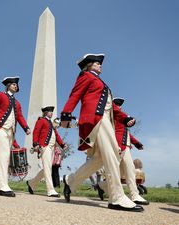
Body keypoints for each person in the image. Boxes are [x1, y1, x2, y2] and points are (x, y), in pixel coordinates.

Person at [60, 53, 143, 212]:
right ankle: (116, 197)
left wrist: (125, 119)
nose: (100, 65)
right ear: (89, 65)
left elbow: (111, 107)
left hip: (105, 119)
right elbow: (75, 95)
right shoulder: (85, 76)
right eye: (97, 63)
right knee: (112, 153)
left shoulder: (98, 81)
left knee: (99, 159)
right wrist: (66, 114)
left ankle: (71, 181)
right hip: (95, 119)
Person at [0, 76, 31, 197]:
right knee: (4, 156)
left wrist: (26, 128)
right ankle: (3, 186)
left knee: (3, 158)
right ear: (8, 85)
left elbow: (20, 117)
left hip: (11, 132)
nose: (15, 86)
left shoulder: (17, 103)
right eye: (13, 84)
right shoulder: (0, 95)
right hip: (0, 129)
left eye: (16, 85)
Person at [26, 106, 67, 197]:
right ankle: (50, 190)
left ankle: (31, 183)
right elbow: (36, 132)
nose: (51, 113)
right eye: (49, 111)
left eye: (52, 112)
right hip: (44, 146)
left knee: (47, 168)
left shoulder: (51, 123)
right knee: (48, 168)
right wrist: (35, 144)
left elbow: (56, 135)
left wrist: (62, 144)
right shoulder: (41, 121)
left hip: (52, 147)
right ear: (45, 112)